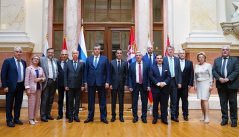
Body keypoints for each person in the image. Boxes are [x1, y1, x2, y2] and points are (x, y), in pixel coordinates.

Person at [212, 46, 239, 127]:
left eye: (226, 50)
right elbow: (214, 70)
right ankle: (224, 119)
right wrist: (219, 78)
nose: (225, 51)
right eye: (223, 50)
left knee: (233, 103)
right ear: (221, 51)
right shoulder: (217, 60)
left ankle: (234, 120)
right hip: (221, 85)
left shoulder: (235, 60)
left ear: (229, 51)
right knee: (223, 103)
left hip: (232, 84)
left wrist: (228, 79)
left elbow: (237, 70)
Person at [84, 44, 110, 124]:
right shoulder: (88, 59)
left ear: (100, 50)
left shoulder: (105, 59)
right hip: (91, 82)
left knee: (102, 101)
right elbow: (86, 72)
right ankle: (90, 117)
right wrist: (85, 82)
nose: (97, 50)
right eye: (95, 49)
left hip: (101, 82)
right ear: (93, 50)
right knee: (91, 100)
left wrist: (107, 82)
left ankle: (103, 117)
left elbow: (108, 72)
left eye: (98, 49)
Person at [1, 47, 27, 127]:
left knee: (18, 103)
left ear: (21, 53)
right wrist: (5, 86)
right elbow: (3, 74)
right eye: (17, 52)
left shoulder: (23, 62)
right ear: (14, 53)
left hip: (20, 85)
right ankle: (9, 120)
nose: (18, 53)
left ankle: (16, 118)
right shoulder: (8, 61)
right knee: (9, 104)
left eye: (20, 52)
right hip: (10, 86)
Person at [128, 51, 150, 123]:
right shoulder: (131, 65)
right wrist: (130, 86)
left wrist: (149, 85)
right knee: (134, 102)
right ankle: (135, 117)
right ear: (135, 57)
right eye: (136, 55)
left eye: (139, 55)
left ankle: (144, 117)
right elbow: (129, 76)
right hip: (135, 85)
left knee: (144, 102)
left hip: (144, 85)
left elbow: (149, 76)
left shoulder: (147, 65)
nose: (138, 56)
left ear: (142, 56)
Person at [149, 54, 171, 124]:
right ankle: (155, 118)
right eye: (158, 58)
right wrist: (158, 84)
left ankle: (164, 118)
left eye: (160, 58)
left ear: (162, 59)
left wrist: (164, 83)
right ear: (155, 60)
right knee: (155, 105)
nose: (159, 59)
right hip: (156, 89)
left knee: (164, 105)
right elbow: (151, 76)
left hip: (165, 89)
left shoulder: (166, 67)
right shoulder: (152, 67)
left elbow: (169, 77)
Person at [64, 50, 85, 123]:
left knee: (77, 102)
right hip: (70, 86)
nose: (75, 54)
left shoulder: (82, 63)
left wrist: (82, 85)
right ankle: (70, 116)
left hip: (78, 86)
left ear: (78, 55)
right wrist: (66, 85)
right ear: (72, 55)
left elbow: (83, 75)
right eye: (73, 53)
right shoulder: (67, 63)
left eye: (76, 53)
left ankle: (76, 115)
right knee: (70, 101)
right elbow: (65, 75)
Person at [24, 55, 46, 125]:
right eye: (34, 59)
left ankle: (34, 117)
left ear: (39, 61)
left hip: (39, 88)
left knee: (36, 104)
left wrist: (40, 79)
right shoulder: (28, 68)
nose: (36, 60)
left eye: (37, 59)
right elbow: (26, 79)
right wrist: (27, 89)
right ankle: (30, 119)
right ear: (32, 60)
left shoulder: (40, 68)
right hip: (31, 88)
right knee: (31, 104)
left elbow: (44, 78)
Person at [163, 46, 182, 122]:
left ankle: (173, 116)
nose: (170, 51)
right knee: (165, 99)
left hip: (174, 81)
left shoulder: (177, 59)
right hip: (166, 81)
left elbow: (179, 71)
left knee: (174, 99)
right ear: (167, 51)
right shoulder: (164, 59)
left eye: (172, 50)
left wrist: (179, 82)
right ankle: (164, 115)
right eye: (169, 50)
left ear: (174, 51)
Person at [193, 52, 213, 124]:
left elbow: (211, 76)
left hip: (206, 83)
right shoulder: (196, 66)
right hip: (199, 84)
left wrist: (211, 85)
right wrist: (195, 85)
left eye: (202, 57)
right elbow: (195, 77)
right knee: (201, 100)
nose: (201, 58)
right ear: (198, 58)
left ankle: (207, 117)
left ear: (204, 58)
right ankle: (203, 115)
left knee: (205, 99)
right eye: (199, 57)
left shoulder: (208, 65)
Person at [39, 48, 58, 122]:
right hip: (46, 82)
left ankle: (48, 114)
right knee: (44, 99)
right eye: (49, 52)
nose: (50, 54)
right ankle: (43, 116)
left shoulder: (56, 61)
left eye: (52, 52)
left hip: (54, 81)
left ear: (53, 53)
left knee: (51, 99)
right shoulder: (42, 60)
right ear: (47, 53)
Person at [109, 49, 128, 122]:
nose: (119, 54)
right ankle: (113, 116)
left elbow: (127, 74)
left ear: (122, 54)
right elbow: (109, 74)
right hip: (113, 85)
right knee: (113, 101)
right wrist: (110, 83)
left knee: (121, 101)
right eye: (118, 53)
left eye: (120, 53)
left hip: (121, 85)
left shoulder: (125, 63)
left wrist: (126, 84)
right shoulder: (112, 63)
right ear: (116, 54)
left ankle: (121, 116)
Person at [176, 50, 194, 121]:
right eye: (180, 53)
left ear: (185, 54)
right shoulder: (175, 62)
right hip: (176, 85)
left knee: (185, 100)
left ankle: (185, 114)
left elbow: (191, 74)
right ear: (178, 55)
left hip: (185, 85)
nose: (182, 54)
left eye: (183, 53)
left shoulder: (189, 62)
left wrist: (190, 84)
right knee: (175, 100)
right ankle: (175, 114)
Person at [56, 50, 69, 120]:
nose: (64, 55)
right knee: (60, 100)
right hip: (60, 84)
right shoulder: (57, 62)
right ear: (61, 55)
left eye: (65, 54)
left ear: (67, 55)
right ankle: (60, 114)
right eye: (63, 54)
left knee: (68, 99)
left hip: (68, 84)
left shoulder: (70, 62)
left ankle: (68, 114)